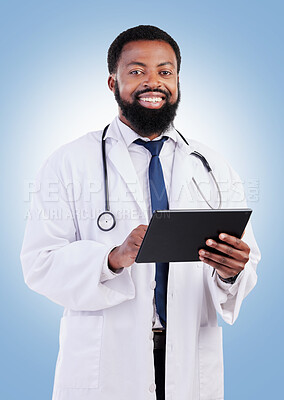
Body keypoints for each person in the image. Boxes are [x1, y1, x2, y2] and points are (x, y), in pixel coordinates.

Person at [20, 25, 261, 400]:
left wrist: (231, 272)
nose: (154, 82)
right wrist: (112, 259)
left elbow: (246, 260)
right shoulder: (69, 162)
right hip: (108, 362)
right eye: (136, 71)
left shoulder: (211, 165)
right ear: (112, 82)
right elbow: (39, 263)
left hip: (190, 359)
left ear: (178, 80)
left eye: (165, 72)